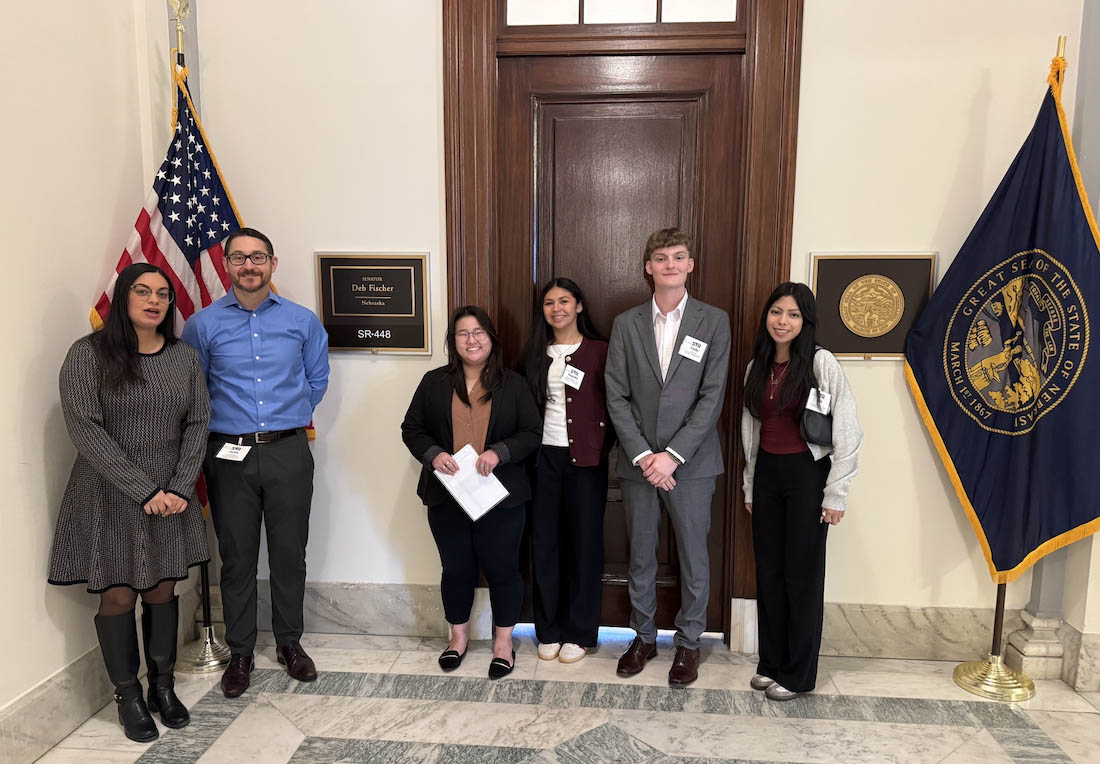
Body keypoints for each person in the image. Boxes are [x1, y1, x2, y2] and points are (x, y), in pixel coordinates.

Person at [49, 263, 210, 742]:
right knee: (118, 593)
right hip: (109, 493)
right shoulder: (87, 354)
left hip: (171, 497)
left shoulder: (184, 358)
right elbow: (84, 428)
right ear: (123, 297)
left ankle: (163, 687)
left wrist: (179, 486)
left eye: (162, 293)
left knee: (163, 588)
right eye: (142, 291)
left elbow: (198, 423)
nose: (154, 300)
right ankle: (128, 695)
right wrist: (143, 490)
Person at [181, 227, 330, 698]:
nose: (249, 266)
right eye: (239, 258)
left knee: (290, 554)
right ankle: (240, 651)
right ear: (226, 266)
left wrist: (288, 415)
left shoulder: (302, 321)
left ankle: (290, 644)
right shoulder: (202, 325)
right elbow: (194, 388)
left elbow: (317, 380)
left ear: (273, 263)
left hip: (288, 450)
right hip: (227, 454)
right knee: (238, 557)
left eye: (258, 257)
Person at [605, 227, 731, 687]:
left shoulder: (713, 321)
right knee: (640, 553)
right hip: (639, 466)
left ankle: (690, 643)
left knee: (694, 556)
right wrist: (644, 455)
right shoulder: (626, 323)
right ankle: (642, 637)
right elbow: (615, 395)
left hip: (691, 466)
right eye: (661, 258)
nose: (670, 265)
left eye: (679, 257)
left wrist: (672, 455)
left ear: (691, 265)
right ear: (648, 267)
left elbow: (712, 396)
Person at [401, 306, 542, 679]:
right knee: (456, 569)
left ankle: (502, 644)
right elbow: (411, 429)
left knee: (503, 570)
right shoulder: (434, 382)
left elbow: (532, 432)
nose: (472, 340)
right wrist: (434, 455)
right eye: (463, 333)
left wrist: (500, 452)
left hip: (501, 497)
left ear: (491, 338)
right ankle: (457, 639)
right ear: (453, 341)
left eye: (478, 332)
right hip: (447, 496)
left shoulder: (513, 383)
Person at [741, 282, 862, 701]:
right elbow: (751, 433)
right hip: (768, 475)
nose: (783, 321)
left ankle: (797, 673)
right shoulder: (756, 366)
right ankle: (770, 662)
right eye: (776, 312)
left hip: (807, 476)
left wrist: (836, 494)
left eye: (793, 315)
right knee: (770, 573)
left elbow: (848, 430)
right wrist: (749, 484)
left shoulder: (820, 362)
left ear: (805, 322)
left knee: (802, 576)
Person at [518, 278, 612, 664]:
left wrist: (604, 445)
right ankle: (549, 628)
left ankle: (580, 630)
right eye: (549, 302)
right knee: (544, 545)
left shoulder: (600, 351)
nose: (557, 308)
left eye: (564, 301)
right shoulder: (534, 355)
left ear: (579, 306)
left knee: (584, 546)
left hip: (587, 462)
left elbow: (617, 404)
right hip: (542, 461)